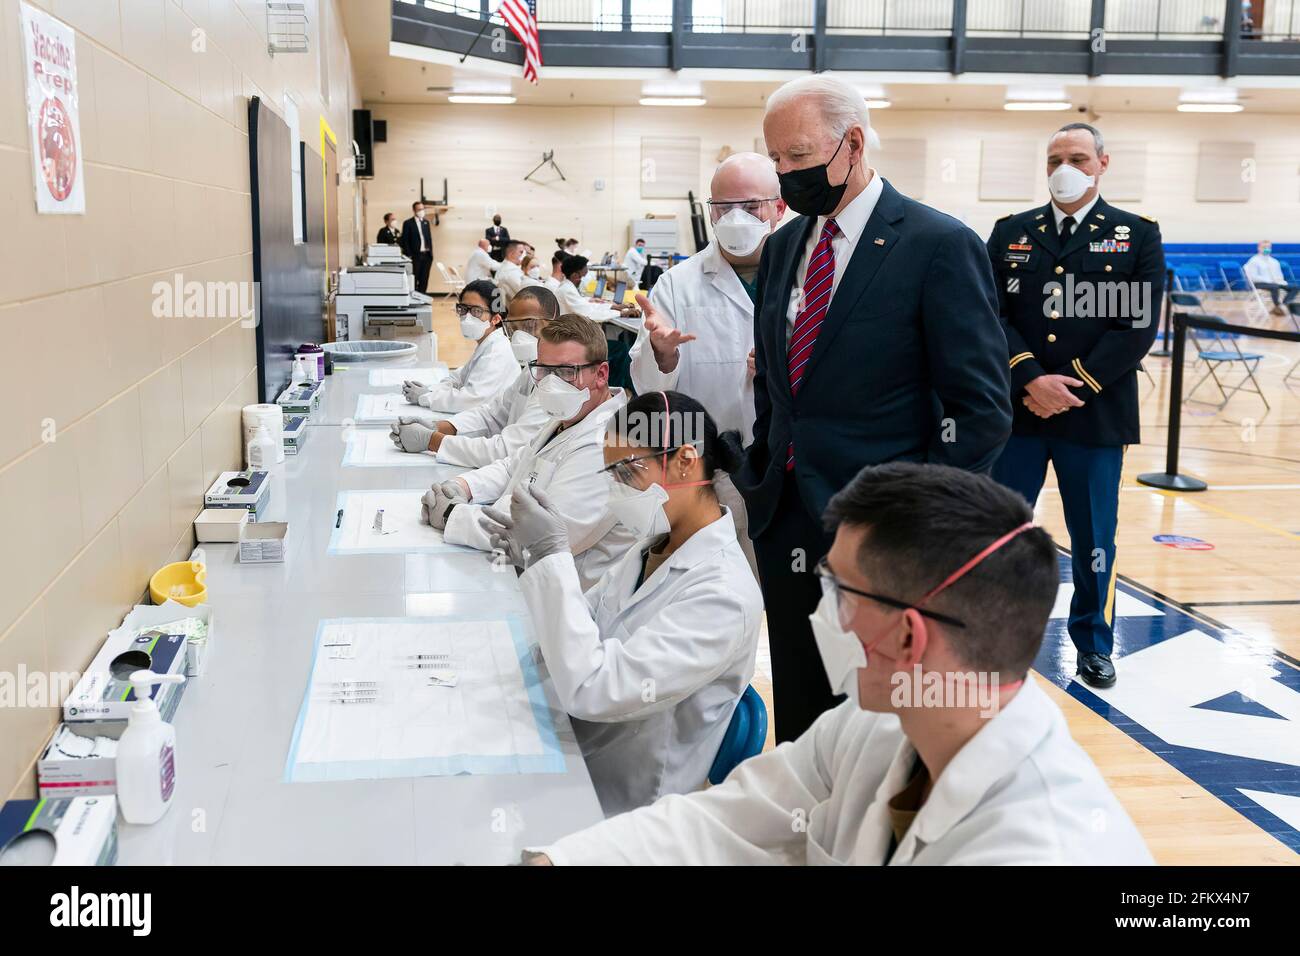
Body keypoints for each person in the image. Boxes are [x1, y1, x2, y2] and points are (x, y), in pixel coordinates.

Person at [521, 463, 1153, 865]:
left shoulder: (1040, 845)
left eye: (838, 591)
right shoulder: (879, 723)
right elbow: (728, 823)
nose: (821, 612)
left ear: (908, 638)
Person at [739, 74, 1012, 743]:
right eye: (774, 160)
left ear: (853, 144)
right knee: (801, 712)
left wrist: (908, 519)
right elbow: (779, 389)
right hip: (787, 522)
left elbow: (980, 410)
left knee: (875, 722)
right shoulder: (782, 248)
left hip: (880, 536)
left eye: (797, 157)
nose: (783, 175)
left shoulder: (937, 245)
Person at [482, 391, 761, 816]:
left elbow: (595, 690)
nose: (616, 489)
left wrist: (552, 561)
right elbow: (583, 620)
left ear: (686, 459)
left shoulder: (725, 596)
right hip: (576, 746)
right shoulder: (654, 544)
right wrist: (532, 567)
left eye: (627, 472)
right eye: (611, 473)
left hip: (625, 802)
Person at [987, 122, 1164, 690]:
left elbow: (1135, 327)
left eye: (1079, 158)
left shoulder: (1135, 234)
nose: (1066, 167)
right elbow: (992, 316)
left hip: (1096, 413)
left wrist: (1072, 385)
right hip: (1019, 410)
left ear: (1103, 164)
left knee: (1094, 537)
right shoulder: (1011, 232)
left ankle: (1094, 641)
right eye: (1056, 158)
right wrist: (1030, 378)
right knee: (1003, 530)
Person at [630, 151, 786, 571]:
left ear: (779, 206)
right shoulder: (678, 284)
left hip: (783, 465)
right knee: (700, 584)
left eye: (750, 206)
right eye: (723, 207)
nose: (736, 218)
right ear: (710, 212)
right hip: (705, 467)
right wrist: (663, 354)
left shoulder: (809, 276)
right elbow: (651, 394)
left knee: (771, 586)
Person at [424, 315, 636, 589]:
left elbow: (543, 533)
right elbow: (516, 464)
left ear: (601, 374)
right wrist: (463, 486)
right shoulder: (571, 413)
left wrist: (452, 515)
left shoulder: (605, 444)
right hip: (518, 565)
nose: (550, 383)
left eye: (566, 372)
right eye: (544, 370)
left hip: (566, 594)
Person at [390, 286, 558, 467]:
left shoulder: (556, 384)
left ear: (555, 324)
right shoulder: (531, 370)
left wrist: (432, 440)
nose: (519, 337)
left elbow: (506, 450)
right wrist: (439, 427)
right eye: (513, 328)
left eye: (529, 325)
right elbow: (492, 414)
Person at [400, 279, 518, 413]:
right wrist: (432, 389)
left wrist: (425, 397)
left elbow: (470, 400)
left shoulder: (497, 352)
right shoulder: (487, 343)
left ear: (495, 319)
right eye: (463, 309)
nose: (467, 317)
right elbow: (459, 377)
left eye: (476, 311)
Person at [1243, 240, 1297, 314]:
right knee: (1275, 287)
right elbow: (1253, 277)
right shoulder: (1254, 261)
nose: (1266, 249)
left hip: (1275, 283)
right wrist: (1270, 281)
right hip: (1259, 283)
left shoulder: (1274, 261)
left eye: (1268, 247)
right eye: (1264, 247)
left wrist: (1281, 281)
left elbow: (1279, 275)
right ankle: (1277, 306)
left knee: (1295, 287)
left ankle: (1282, 306)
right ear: (1259, 248)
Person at [399, 201, 434, 294]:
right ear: (414, 210)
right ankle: (413, 298)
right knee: (414, 279)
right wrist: (409, 255)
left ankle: (422, 297)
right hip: (415, 256)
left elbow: (429, 239)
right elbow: (405, 240)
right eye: (419, 209)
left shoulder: (426, 222)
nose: (421, 211)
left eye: (423, 209)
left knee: (424, 279)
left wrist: (431, 254)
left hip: (426, 256)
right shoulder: (408, 223)